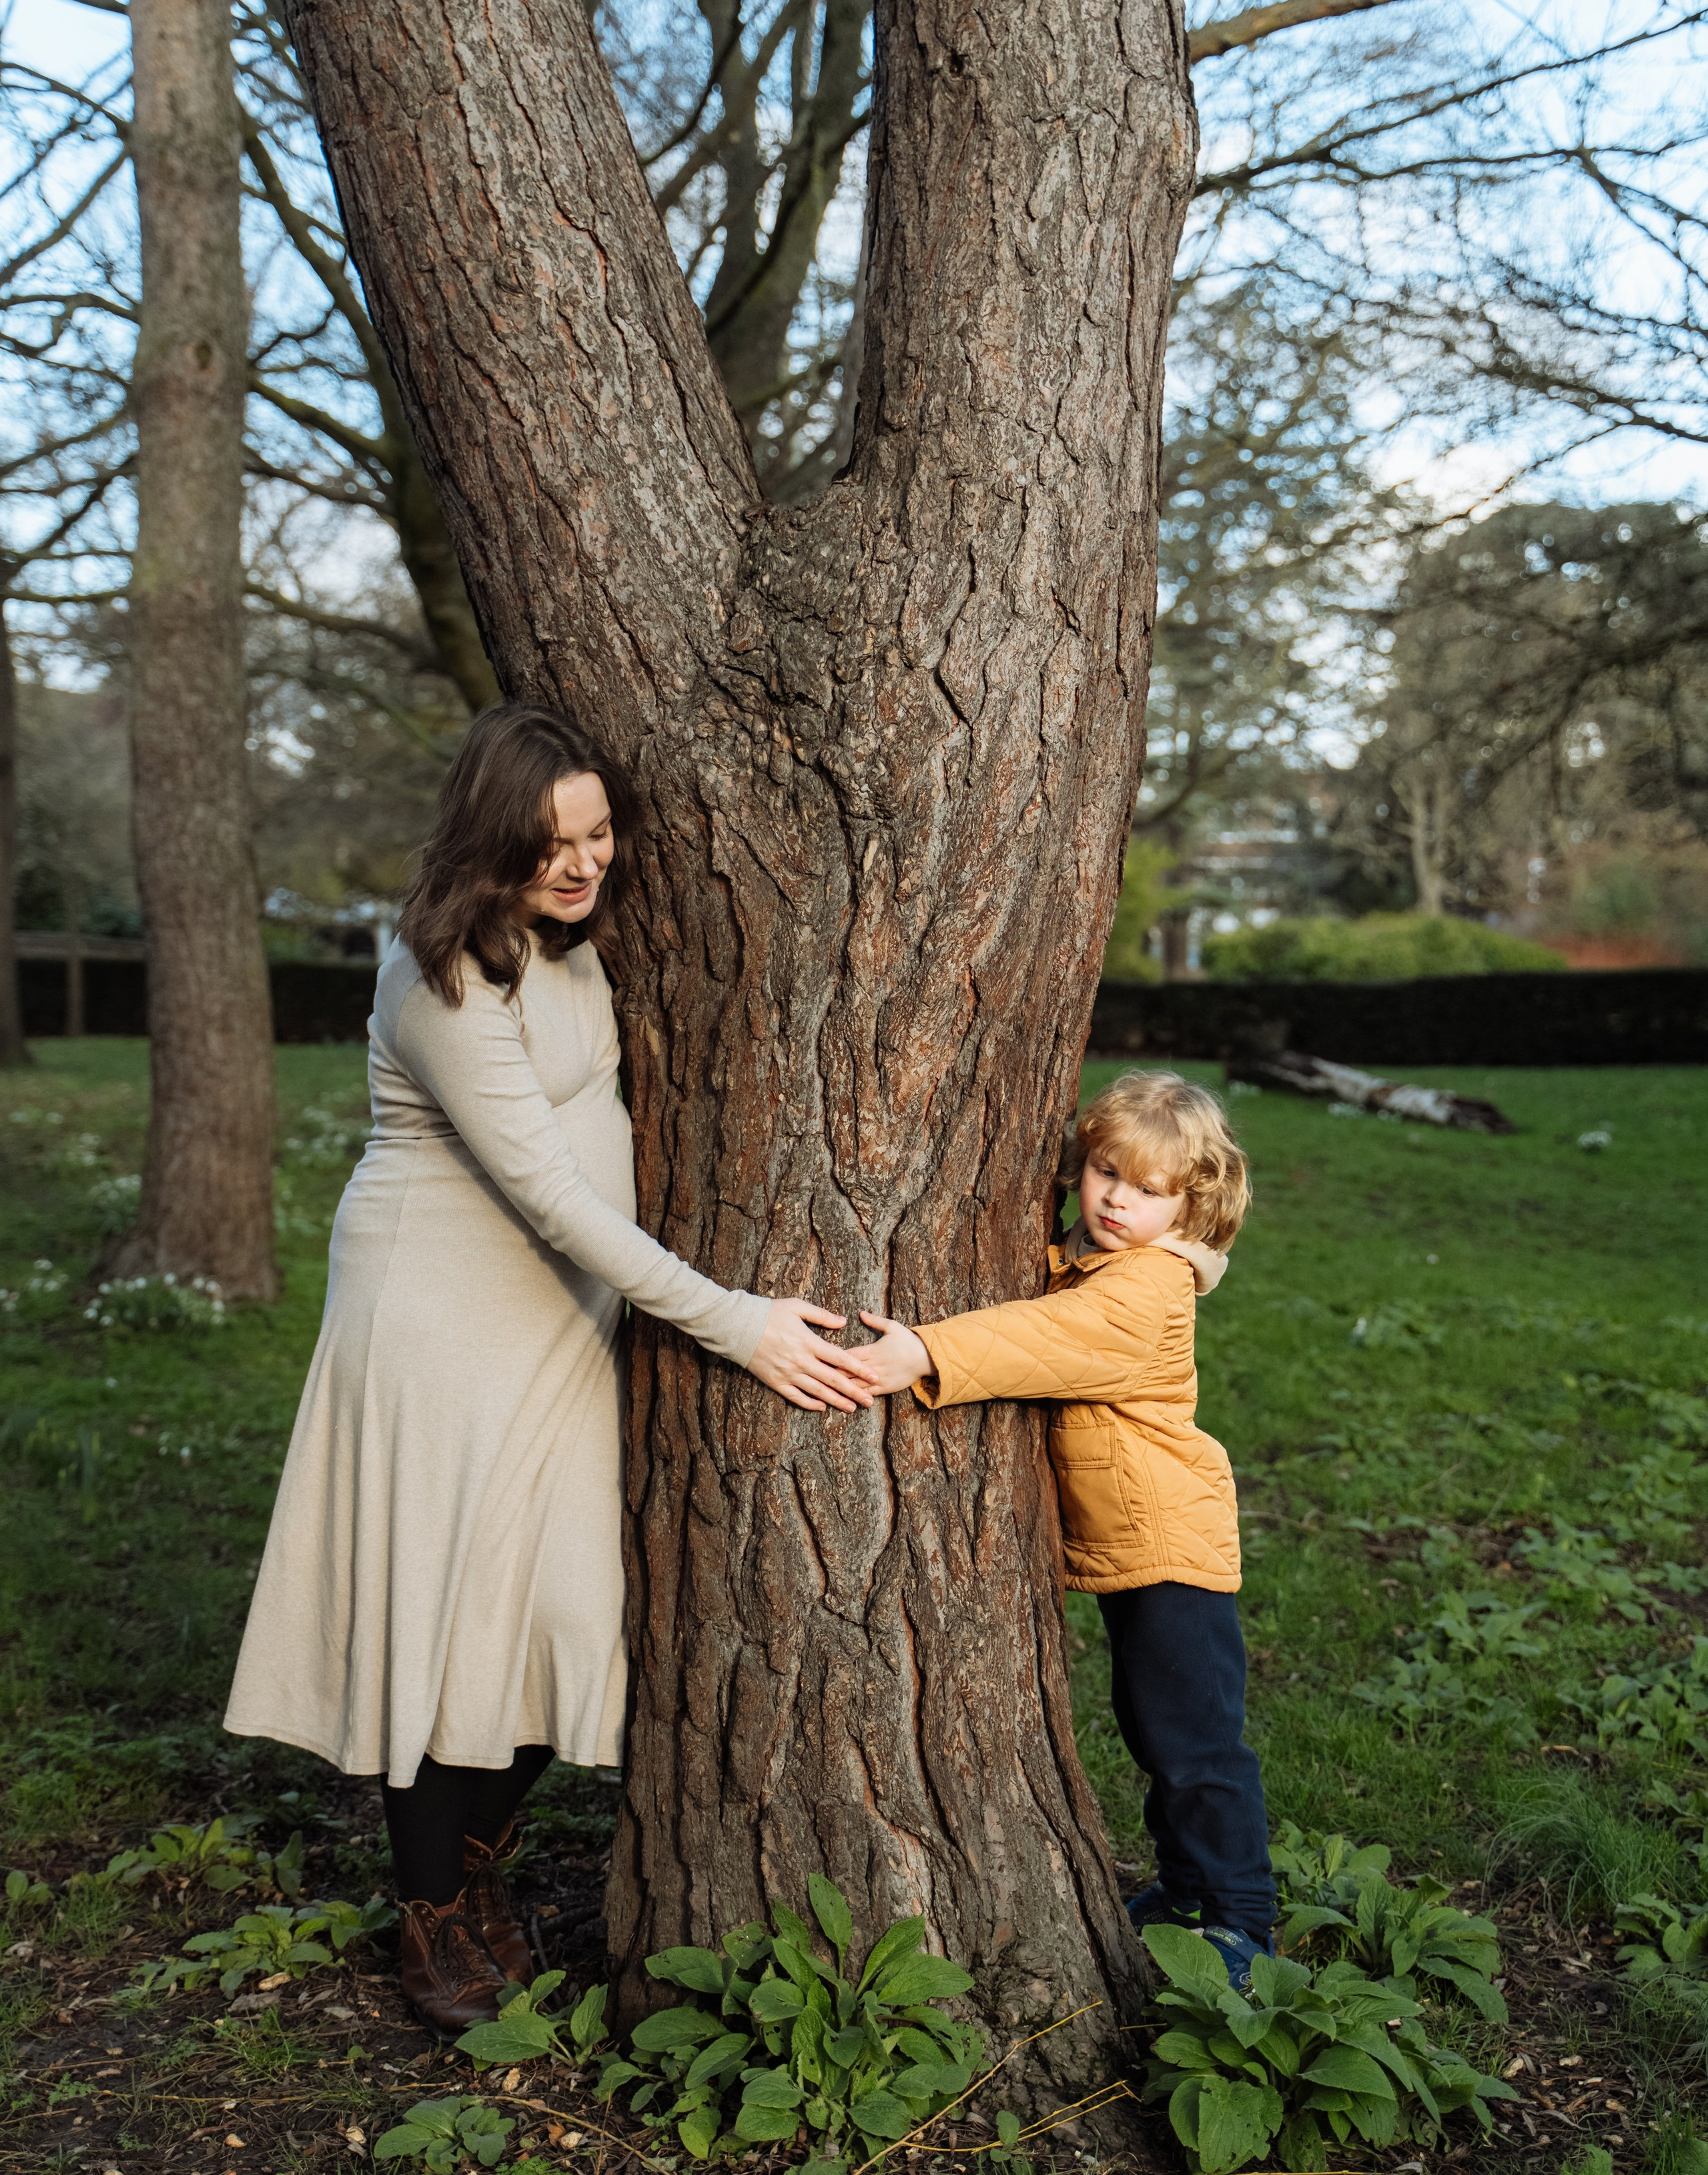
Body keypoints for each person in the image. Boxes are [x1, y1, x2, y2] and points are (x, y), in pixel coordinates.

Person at [226, 701, 873, 2034]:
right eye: (548, 844)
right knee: (446, 1610)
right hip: (444, 1314)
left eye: (596, 834)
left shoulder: (569, 951)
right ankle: (431, 1916)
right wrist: (735, 1322)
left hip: (562, 1315)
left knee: (573, 1611)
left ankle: (470, 1865)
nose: (582, 864)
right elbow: (547, 1197)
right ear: (488, 838)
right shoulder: (448, 970)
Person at [845, 1070, 1276, 1986]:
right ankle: (1186, 1888)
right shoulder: (1105, 1254)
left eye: (1150, 1191)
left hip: (1171, 1547)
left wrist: (925, 1348)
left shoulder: (1149, 1288)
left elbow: (1048, 1338)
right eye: (1103, 1173)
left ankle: (1244, 1923)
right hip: (1142, 1544)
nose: (1118, 1200)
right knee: (1155, 1726)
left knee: (1196, 1743)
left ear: (1192, 1207)